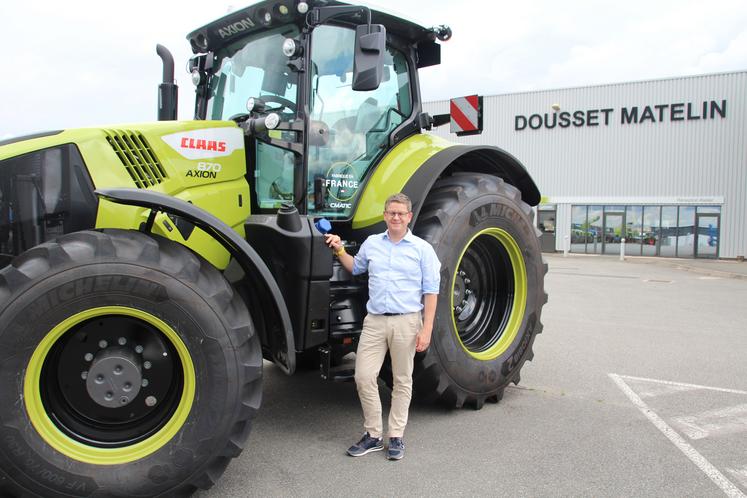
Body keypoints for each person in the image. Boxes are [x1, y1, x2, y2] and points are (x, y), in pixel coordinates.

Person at [325, 193, 440, 461]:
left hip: (407, 321)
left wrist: (427, 329)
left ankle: (396, 436)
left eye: (401, 213)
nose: (396, 217)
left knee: (402, 380)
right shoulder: (372, 243)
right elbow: (355, 268)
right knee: (364, 376)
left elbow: (431, 292)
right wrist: (340, 249)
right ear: (385, 215)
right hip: (375, 321)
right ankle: (373, 435)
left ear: (409, 217)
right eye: (391, 212)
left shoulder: (422, 249)